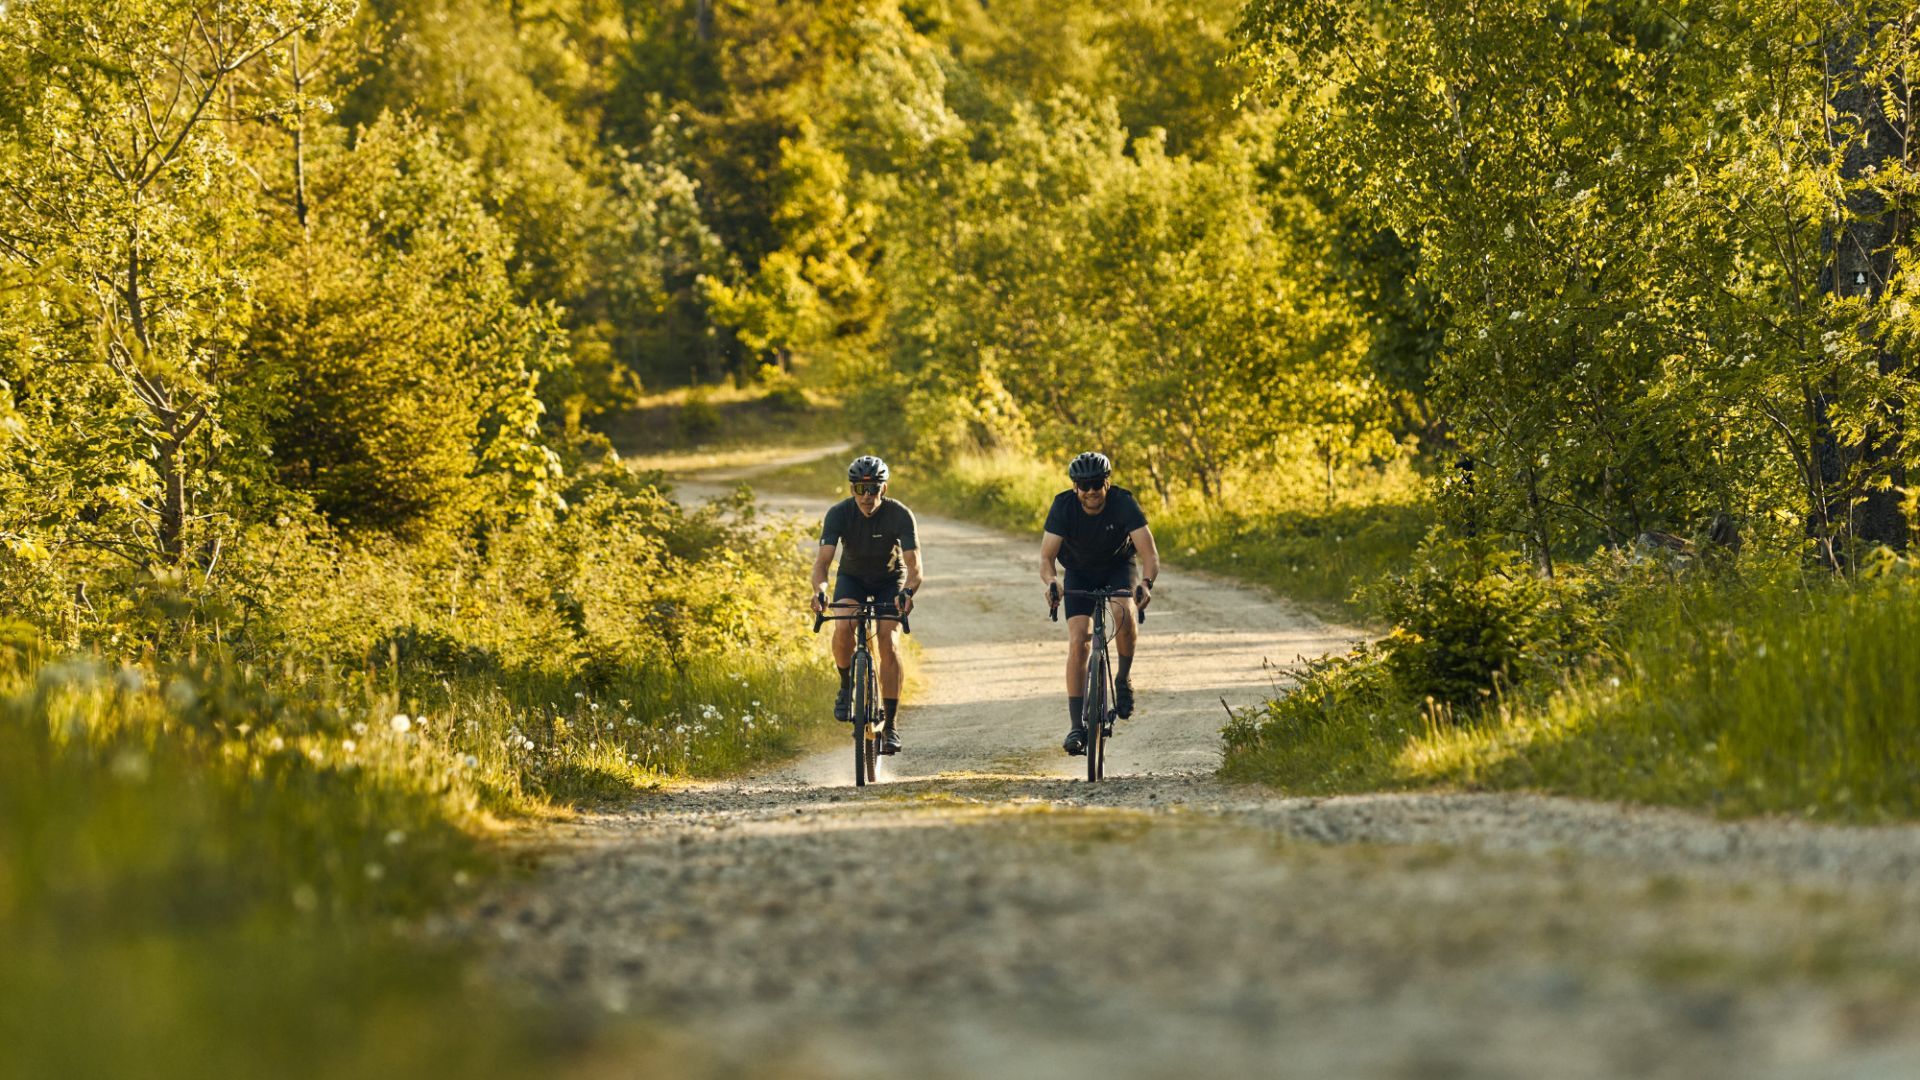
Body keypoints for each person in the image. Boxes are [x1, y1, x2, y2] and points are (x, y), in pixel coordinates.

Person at [1038, 451, 1159, 756]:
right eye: (1084, 484)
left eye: (1096, 483)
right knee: (1079, 640)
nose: (1091, 491)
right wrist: (1053, 581)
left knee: (1123, 611)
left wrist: (1145, 584)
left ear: (1107, 482)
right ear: (1075, 486)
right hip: (1078, 571)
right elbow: (1046, 558)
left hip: (1118, 566)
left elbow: (1149, 553)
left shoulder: (1123, 503)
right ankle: (1076, 726)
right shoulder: (1063, 506)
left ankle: (1122, 678)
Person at [811, 455, 922, 754]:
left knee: (889, 641)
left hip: (890, 579)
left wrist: (908, 592)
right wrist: (820, 591)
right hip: (853, 578)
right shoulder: (839, 513)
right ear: (852, 490)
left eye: (873, 489)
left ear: (884, 488)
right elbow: (823, 563)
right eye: (860, 489)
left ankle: (892, 726)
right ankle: (846, 687)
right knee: (845, 623)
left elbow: (914, 567)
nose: (867, 496)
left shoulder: (900, 514)